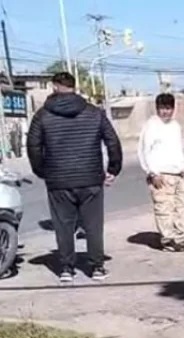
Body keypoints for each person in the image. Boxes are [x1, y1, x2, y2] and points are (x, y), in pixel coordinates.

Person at [26, 71, 122, 283]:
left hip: (58, 180)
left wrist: (42, 171)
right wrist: (113, 169)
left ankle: (66, 269)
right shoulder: (94, 113)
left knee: (63, 225)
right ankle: (97, 267)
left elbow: (33, 146)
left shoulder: (42, 115)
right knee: (93, 225)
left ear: (54, 87)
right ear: (74, 86)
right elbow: (112, 142)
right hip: (90, 179)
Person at [138, 93, 184, 252]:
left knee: (181, 207)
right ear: (157, 109)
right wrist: (152, 173)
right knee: (164, 208)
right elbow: (144, 151)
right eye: (162, 108)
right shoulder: (151, 126)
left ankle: (179, 236)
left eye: (168, 108)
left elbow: (178, 150)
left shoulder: (175, 126)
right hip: (161, 175)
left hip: (177, 174)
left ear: (173, 109)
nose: (165, 112)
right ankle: (167, 239)